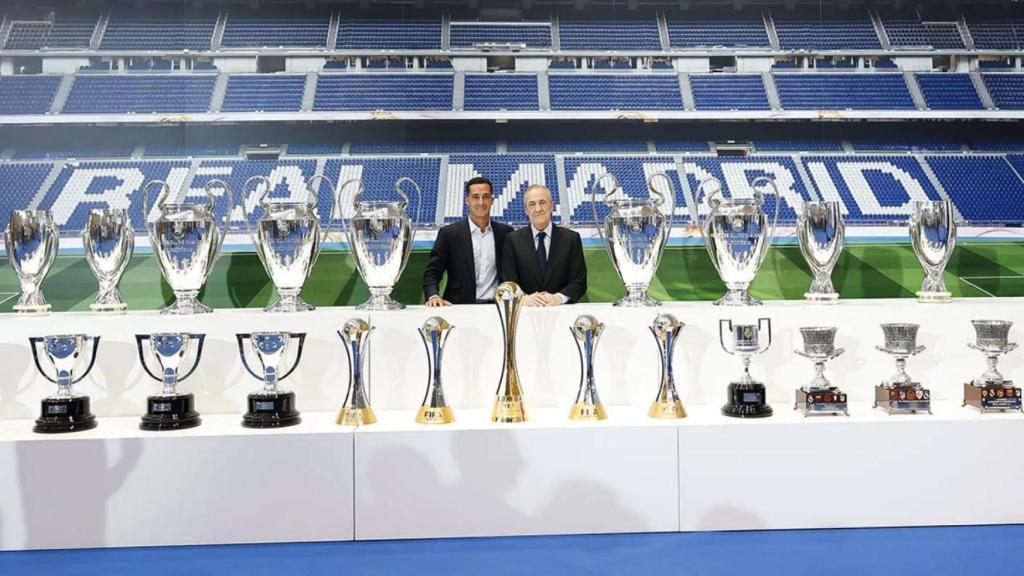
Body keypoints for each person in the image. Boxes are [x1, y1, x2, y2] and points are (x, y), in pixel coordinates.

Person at [423, 176, 514, 306]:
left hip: (496, 307)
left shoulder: (505, 233)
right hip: (459, 307)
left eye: (486, 196)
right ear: (467, 200)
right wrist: (433, 295)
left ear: (492, 200)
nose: (481, 202)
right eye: (475, 197)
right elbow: (432, 272)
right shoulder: (449, 234)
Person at [501, 184, 587, 306]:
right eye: (532, 204)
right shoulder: (512, 240)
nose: (538, 209)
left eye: (542, 202)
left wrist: (559, 298)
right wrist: (523, 299)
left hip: (561, 312)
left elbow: (579, 281)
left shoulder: (571, 239)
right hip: (526, 313)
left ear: (551, 206)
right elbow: (508, 281)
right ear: (526, 209)